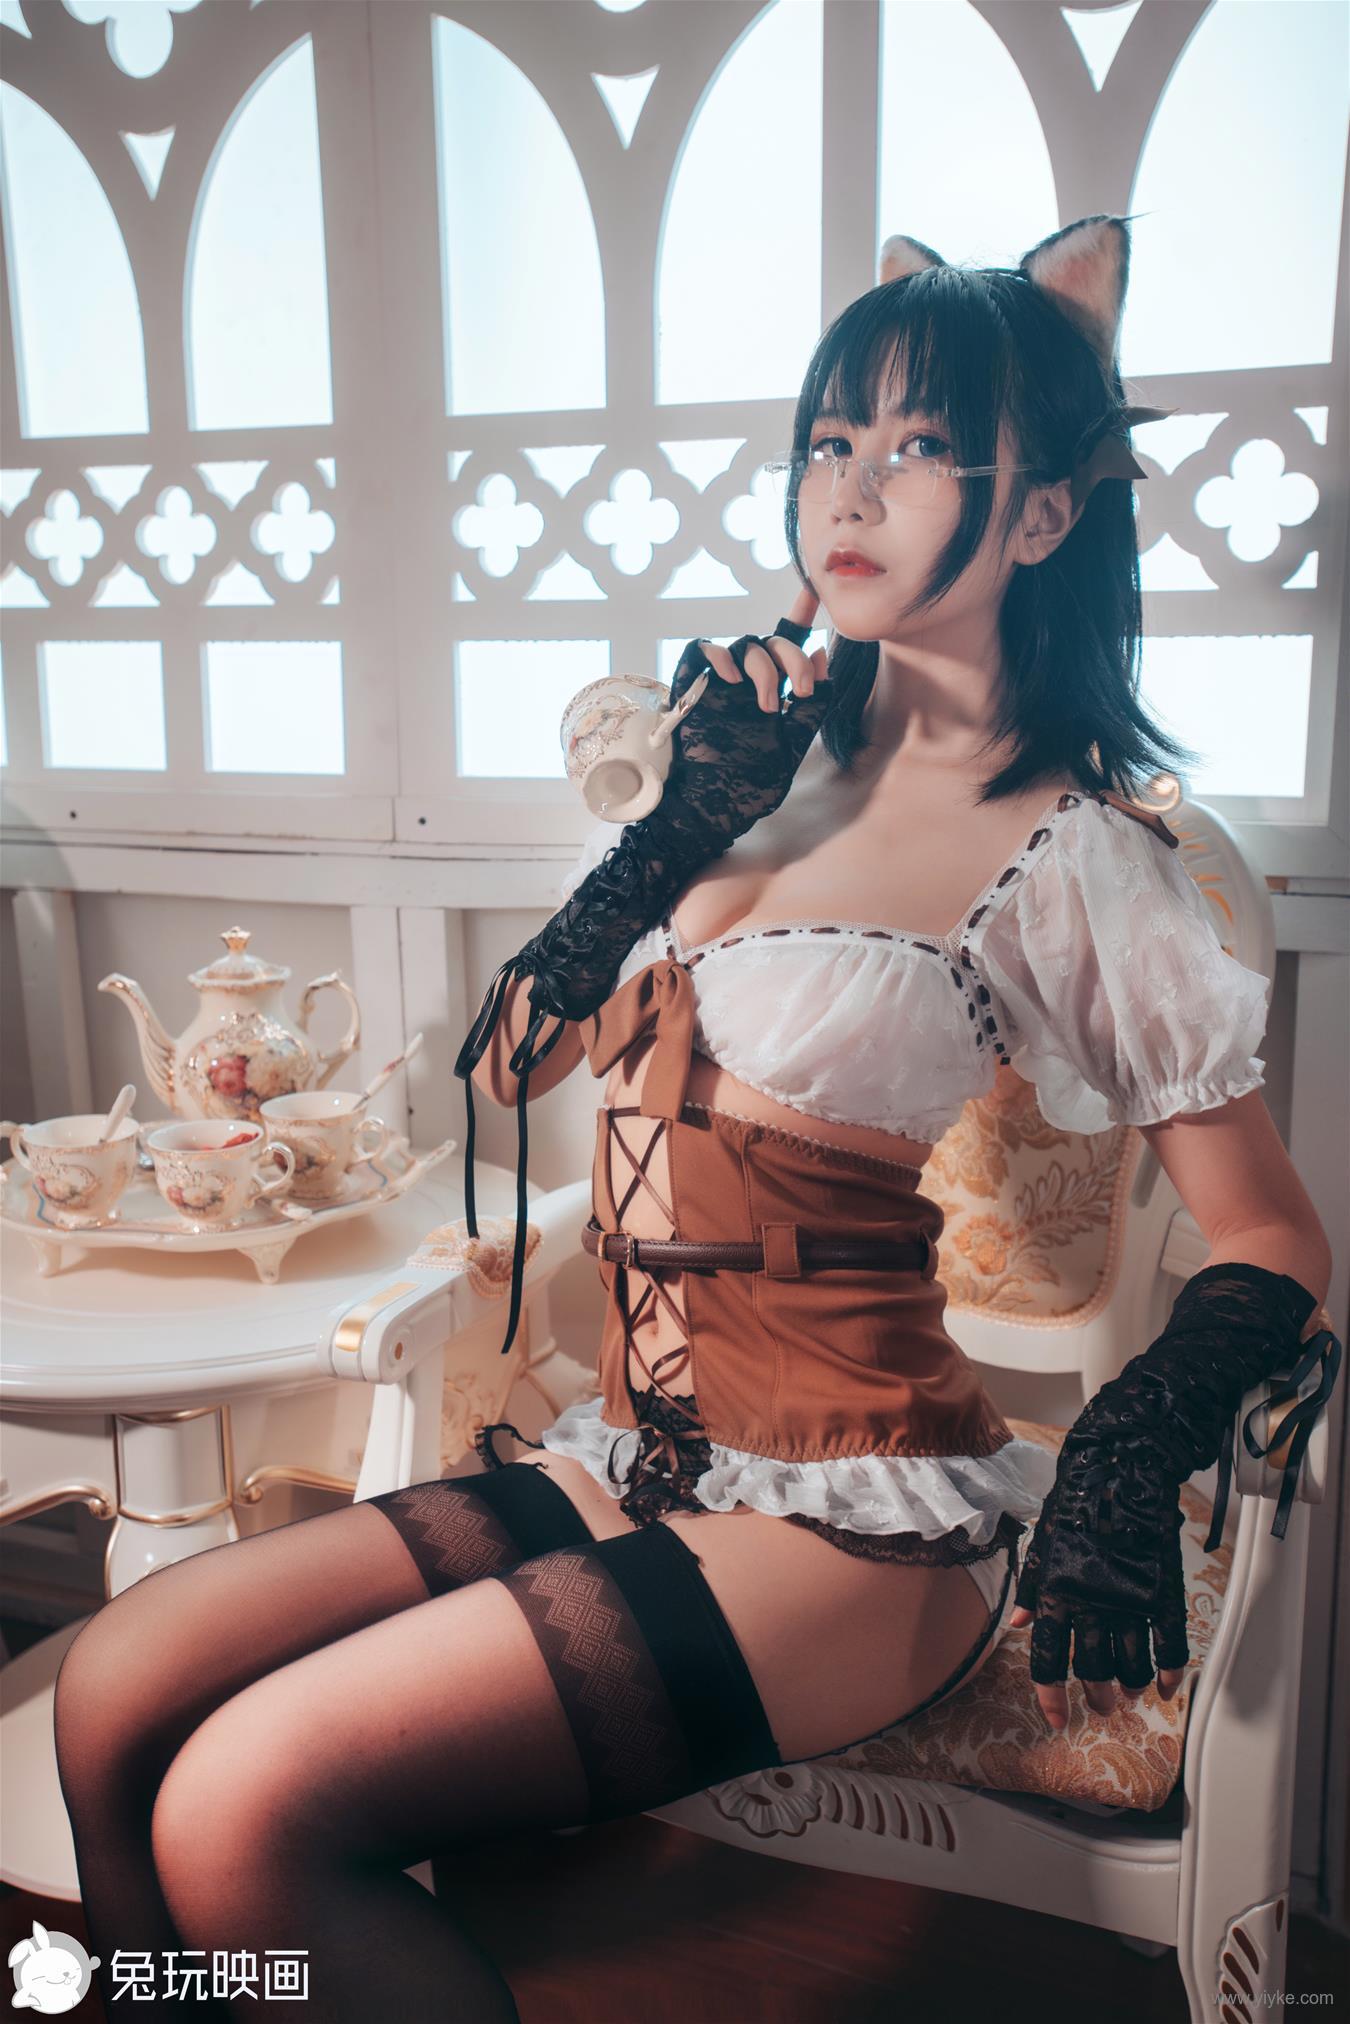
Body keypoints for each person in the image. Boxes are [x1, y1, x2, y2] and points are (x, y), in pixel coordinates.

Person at [52, 216, 1337, 2023]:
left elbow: (1273, 1230)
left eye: (918, 447)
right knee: (117, 1687)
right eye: (828, 440)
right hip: (633, 1451)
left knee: (249, 1803)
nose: (849, 490)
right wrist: (669, 831)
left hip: (856, 1520)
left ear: (1042, 515)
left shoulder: (1077, 855)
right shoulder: (740, 772)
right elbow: (510, 1067)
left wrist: (1123, 1460)